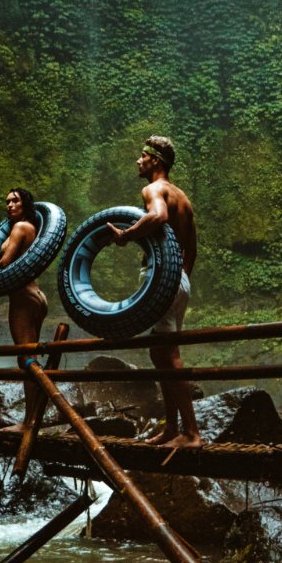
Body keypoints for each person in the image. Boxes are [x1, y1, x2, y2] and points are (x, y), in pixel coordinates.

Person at [107, 136, 203, 449]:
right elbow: (192, 248)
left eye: (142, 157)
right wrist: (178, 278)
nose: (138, 161)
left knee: (168, 353)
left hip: (164, 278)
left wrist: (126, 235)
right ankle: (173, 428)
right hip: (179, 280)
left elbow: (158, 216)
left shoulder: (154, 190)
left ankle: (191, 434)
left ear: (155, 161)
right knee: (159, 351)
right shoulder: (184, 199)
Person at [0, 187, 48, 433]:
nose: (9, 205)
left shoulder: (19, 228)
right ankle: (34, 417)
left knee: (26, 359)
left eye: (15, 201)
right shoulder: (32, 229)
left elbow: (5, 263)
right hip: (37, 295)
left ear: (25, 204)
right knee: (32, 358)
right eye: (7, 201)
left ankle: (29, 422)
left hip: (22, 298)